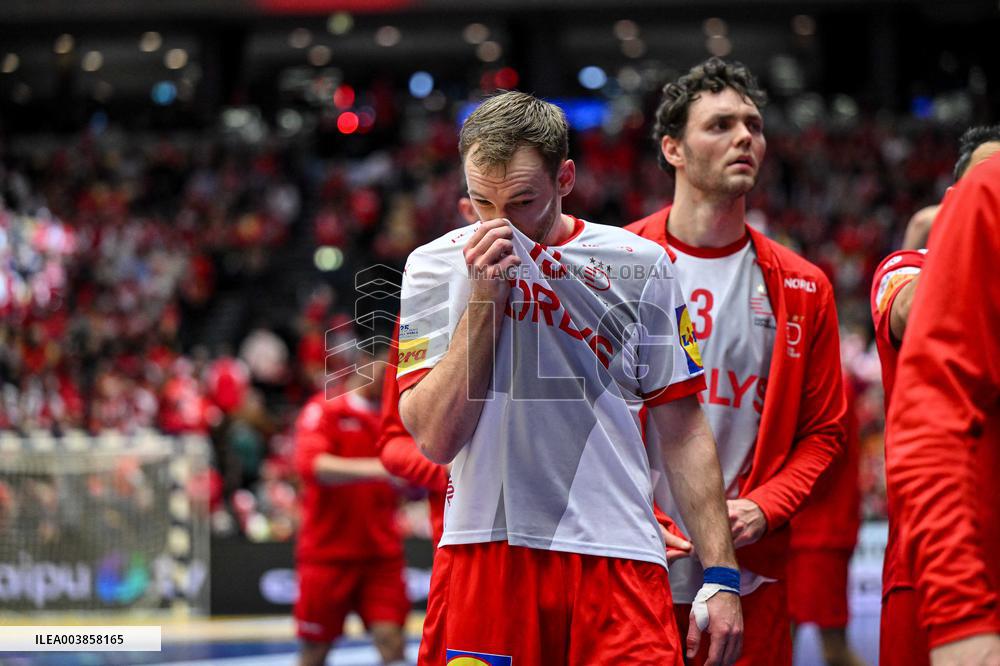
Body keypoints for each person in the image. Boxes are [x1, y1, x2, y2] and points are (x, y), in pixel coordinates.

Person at [397, 90, 743, 666]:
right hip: (488, 551)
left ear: (565, 178)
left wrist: (723, 574)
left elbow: (683, 429)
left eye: (522, 201)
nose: (499, 224)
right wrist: (484, 300)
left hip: (618, 555)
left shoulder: (641, 264)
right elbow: (435, 438)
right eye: (482, 202)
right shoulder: (432, 266)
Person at [625, 57, 846, 665]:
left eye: (753, 125)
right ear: (673, 148)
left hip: (751, 580)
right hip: (631, 565)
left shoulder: (804, 285)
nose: (745, 136)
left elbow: (825, 432)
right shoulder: (610, 264)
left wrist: (766, 506)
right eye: (720, 125)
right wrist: (628, 507)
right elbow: (576, 420)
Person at [870, 124, 1000, 666]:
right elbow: (911, 309)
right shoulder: (904, 267)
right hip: (933, 562)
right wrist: (963, 242)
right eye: (985, 184)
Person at [292, 347, 409, 666]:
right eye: (386, 369)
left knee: (393, 644)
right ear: (364, 364)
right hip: (327, 555)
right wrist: (382, 469)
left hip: (381, 554)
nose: (392, 378)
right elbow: (311, 465)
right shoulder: (325, 409)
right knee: (315, 652)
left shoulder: (396, 416)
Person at [788, 378, 862, 666]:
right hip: (801, 530)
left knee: (834, 649)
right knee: (778, 644)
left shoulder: (834, 386)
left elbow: (823, 460)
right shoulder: (825, 382)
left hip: (819, 533)